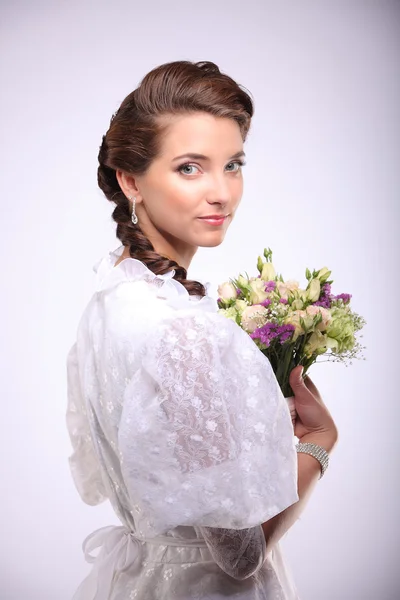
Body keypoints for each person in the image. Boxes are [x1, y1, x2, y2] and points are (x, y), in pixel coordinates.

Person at [66, 60, 338, 600]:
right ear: (130, 180)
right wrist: (317, 445)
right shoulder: (186, 333)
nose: (222, 193)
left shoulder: (111, 294)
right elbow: (240, 555)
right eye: (190, 168)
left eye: (232, 164)